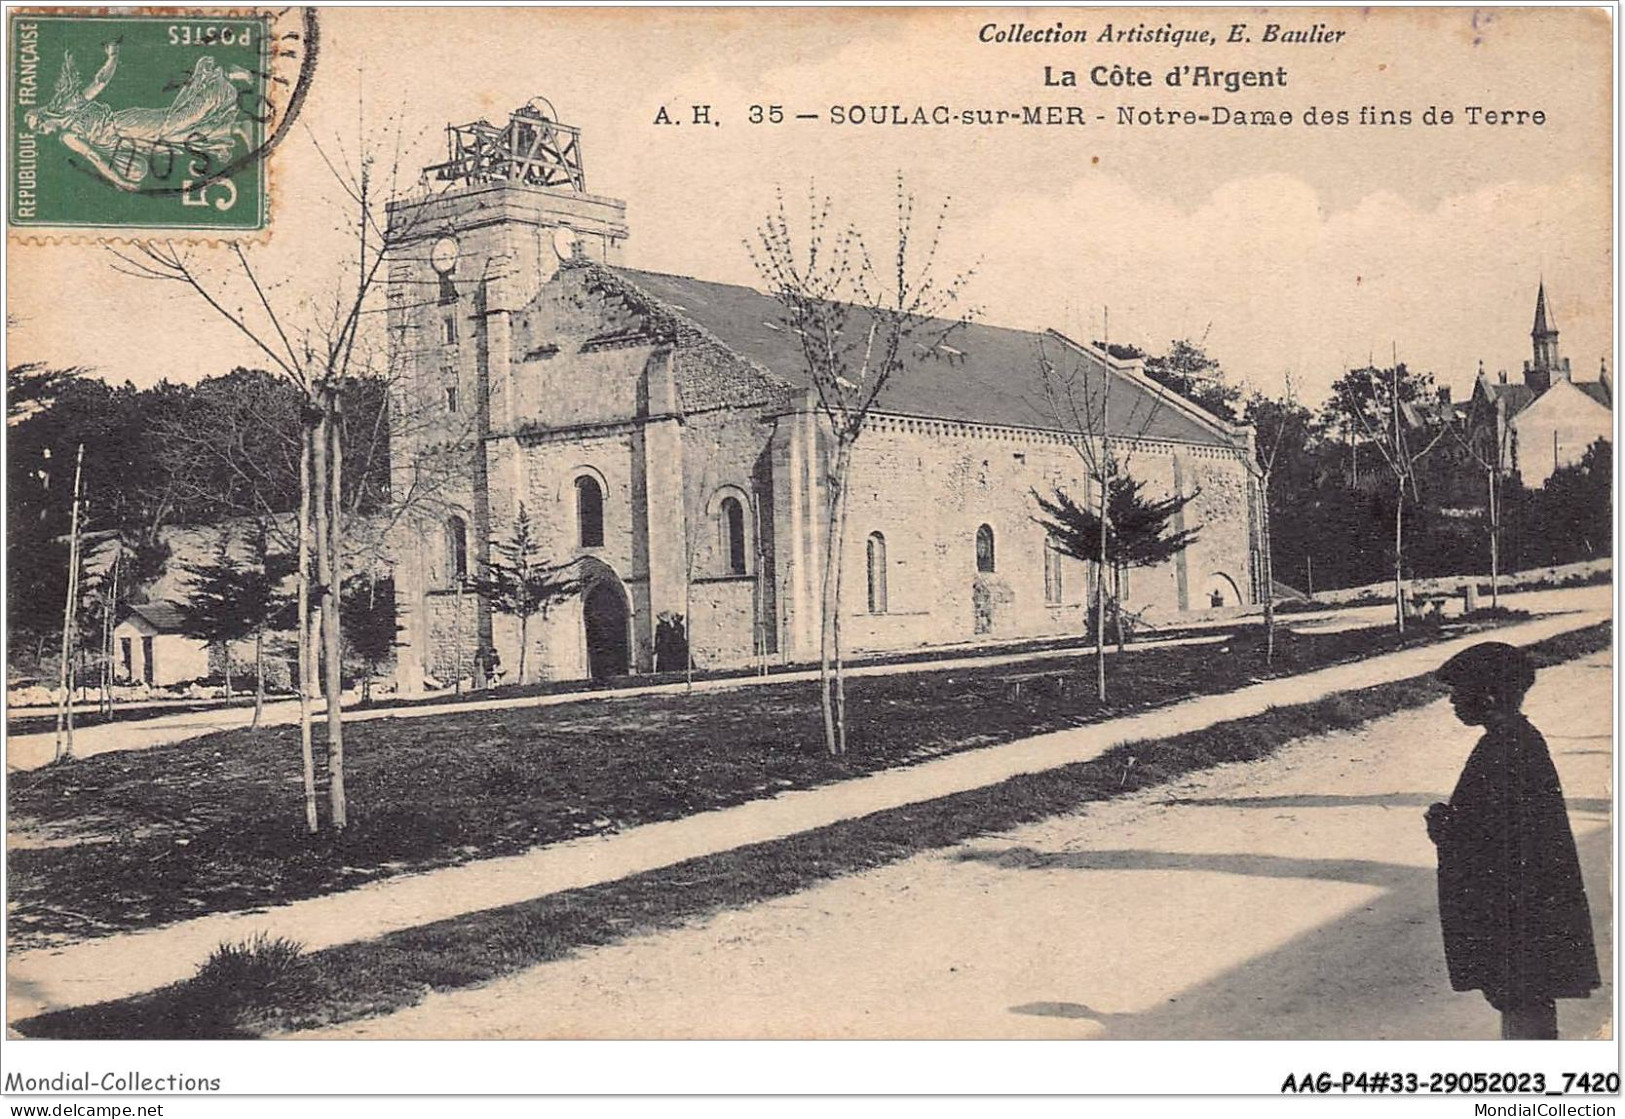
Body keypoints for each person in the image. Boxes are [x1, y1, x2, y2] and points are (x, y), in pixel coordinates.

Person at [1426, 642, 1599, 1039]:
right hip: (1523, 913)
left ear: (1486, 697)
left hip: (1520, 915)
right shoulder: (1513, 740)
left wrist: (1447, 829)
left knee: (1527, 1010)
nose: (1452, 701)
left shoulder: (1508, 747)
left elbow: (1499, 838)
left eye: (1458, 692)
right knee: (1524, 1004)